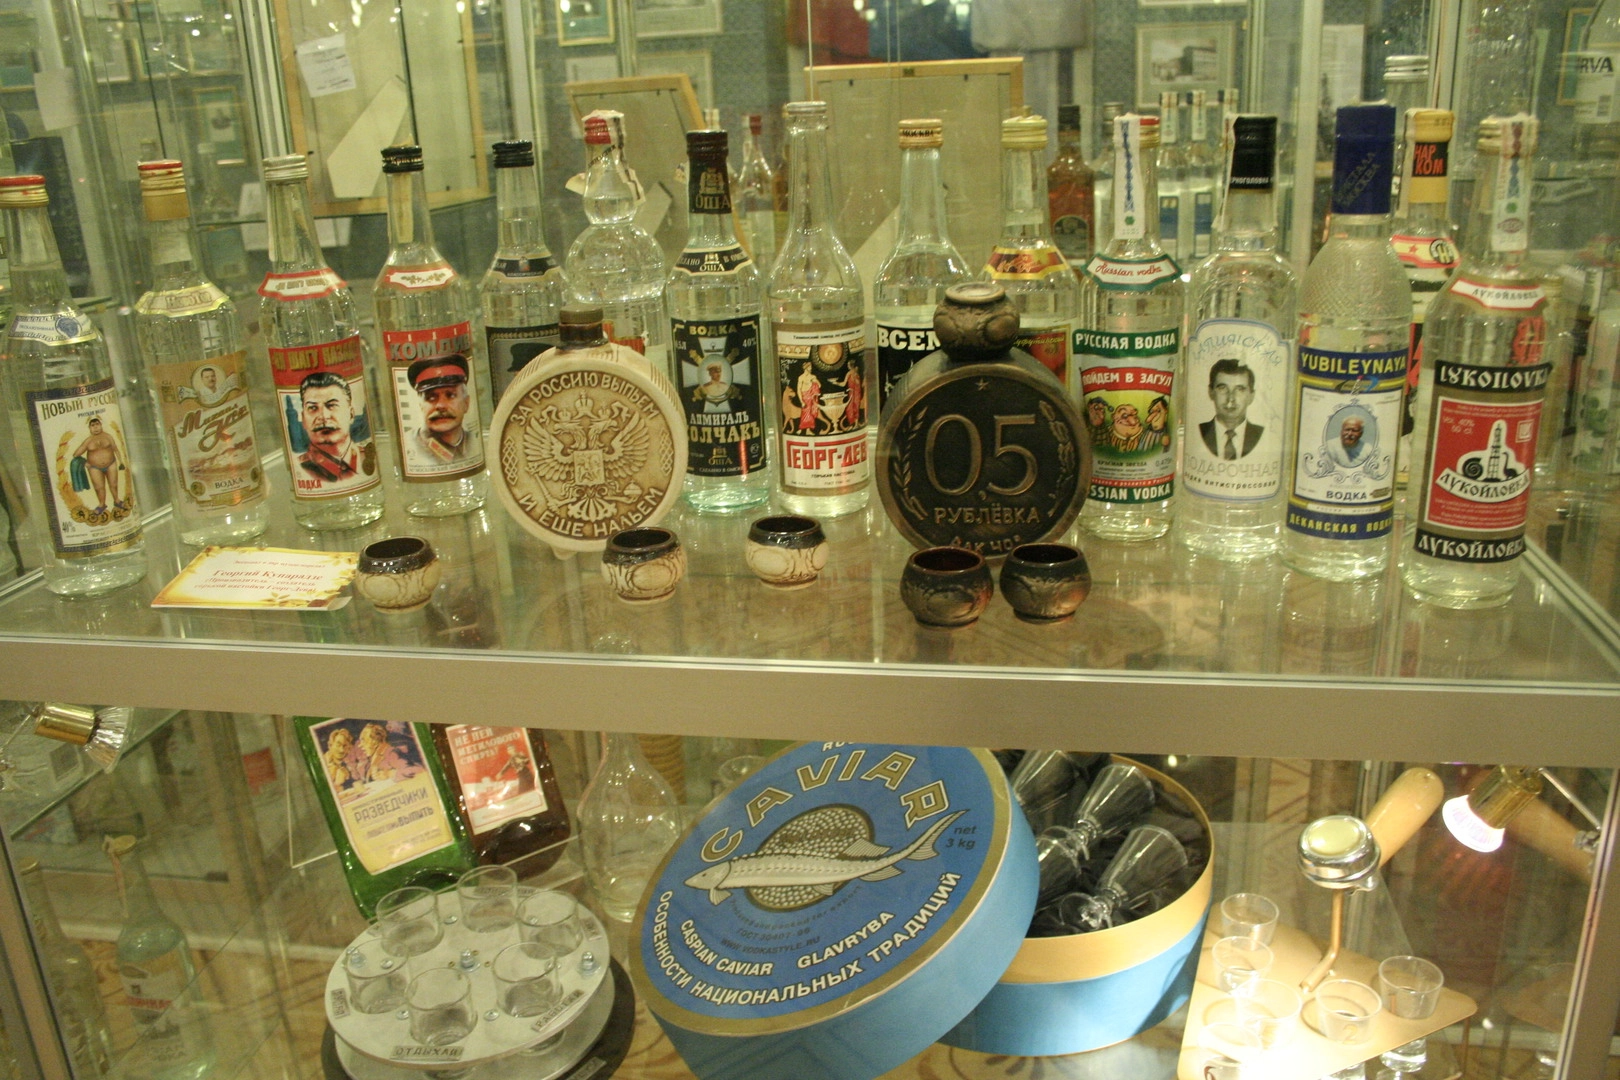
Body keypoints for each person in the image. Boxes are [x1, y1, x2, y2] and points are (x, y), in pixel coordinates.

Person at [297, 372, 364, 484]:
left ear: (351, 414)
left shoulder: (366, 458)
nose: (324, 416)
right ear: (303, 419)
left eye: (332, 405)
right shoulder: (301, 467)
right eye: (312, 408)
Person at [407, 354, 475, 464]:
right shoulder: (410, 445)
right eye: (431, 397)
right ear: (421, 406)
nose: (441, 405)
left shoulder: (473, 442)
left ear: (466, 403)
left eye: (451, 395)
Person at [1199, 358, 1263, 460]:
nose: (1231, 399)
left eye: (1239, 389)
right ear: (1211, 392)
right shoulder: (1198, 432)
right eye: (1222, 388)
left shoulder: (1261, 435)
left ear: (1251, 396)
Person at [69, 416, 127, 514]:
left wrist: (121, 462)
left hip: (111, 463)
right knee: (99, 487)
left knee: (113, 484)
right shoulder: (88, 441)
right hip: (94, 467)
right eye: (92, 425)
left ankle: (117, 500)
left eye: (97, 424)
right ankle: (102, 504)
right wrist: (84, 462)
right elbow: (76, 454)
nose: (95, 427)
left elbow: (115, 449)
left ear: (101, 425)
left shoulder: (108, 436)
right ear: (89, 428)